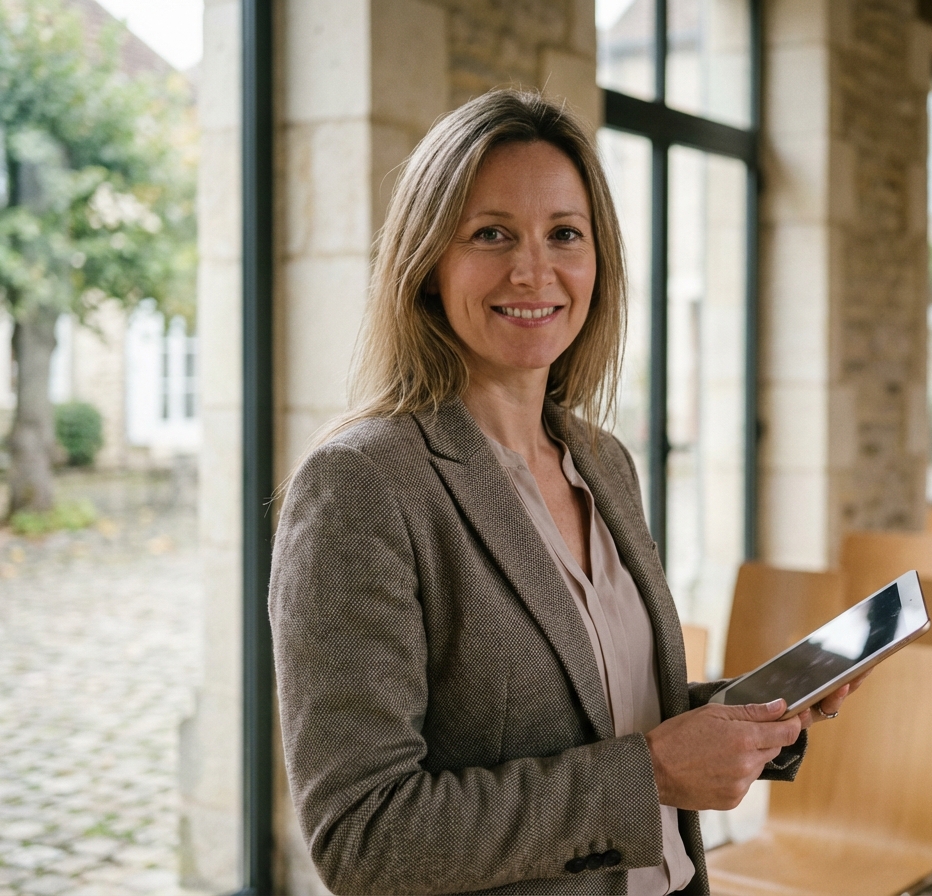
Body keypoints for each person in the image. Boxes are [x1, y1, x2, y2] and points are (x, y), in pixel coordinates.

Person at [269, 88, 862, 896]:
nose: (532, 270)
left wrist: (752, 713)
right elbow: (364, 837)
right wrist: (648, 774)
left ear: (598, 261)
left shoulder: (602, 460)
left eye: (564, 235)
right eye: (490, 234)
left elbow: (595, 706)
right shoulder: (361, 488)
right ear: (427, 266)